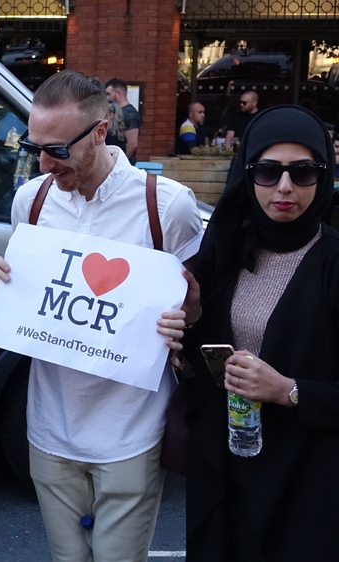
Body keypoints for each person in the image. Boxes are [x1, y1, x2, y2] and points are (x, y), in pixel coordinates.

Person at [0, 70, 203, 562]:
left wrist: (188, 315)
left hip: (131, 432)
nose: (43, 162)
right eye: (34, 147)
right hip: (49, 427)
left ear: (100, 132)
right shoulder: (30, 201)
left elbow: (198, 311)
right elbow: (26, 310)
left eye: (57, 149)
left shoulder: (167, 206)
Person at [182, 106, 339, 561]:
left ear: (323, 177)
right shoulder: (229, 248)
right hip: (227, 469)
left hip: (309, 482)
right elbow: (202, 357)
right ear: (247, 175)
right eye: (268, 172)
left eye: (303, 172)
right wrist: (192, 317)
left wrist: (289, 391)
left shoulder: (332, 261)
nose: (285, 188)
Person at [105, 78, 141, 164]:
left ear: (118, 94)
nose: (107, 98)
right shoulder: (119, 111)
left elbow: (132, 144)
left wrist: (120, 163)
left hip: (124, 164)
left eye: (108, 94)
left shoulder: (130, 114)